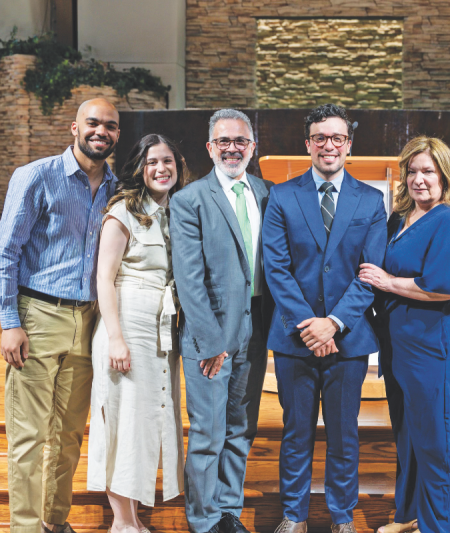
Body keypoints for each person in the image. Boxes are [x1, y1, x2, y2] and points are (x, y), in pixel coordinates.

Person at [0, 98, 120, 533]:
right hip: (38, 316)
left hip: (88, 321)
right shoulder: (37, 176)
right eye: (93, 123)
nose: (101, 131)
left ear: (117, 134)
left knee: (68, 436)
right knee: (28, 435)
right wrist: (10, 322)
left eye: (110, 126)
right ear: (74, 127)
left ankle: (55, 521)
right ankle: (26, 528)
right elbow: (6, 252)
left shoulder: (116, 187)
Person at [262, 103, 387, 533]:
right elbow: (276, 269)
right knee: (296, 432)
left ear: (349, 145)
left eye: (337, 138)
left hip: (348, 339)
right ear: (308, 144)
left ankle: (342, 517)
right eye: (320, 138)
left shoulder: (371, 200)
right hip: (294, 338)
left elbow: (370, 272)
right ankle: (294, 515)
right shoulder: (282, 196)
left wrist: (333, 323)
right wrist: (310, 325)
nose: (328, 145)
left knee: (344, 434)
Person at [359, 136, 450, 533]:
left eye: (428, 171)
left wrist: (388, 283)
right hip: (400, 342)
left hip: (434, 343)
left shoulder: (449, 219)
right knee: (408, 434)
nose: (419, 179)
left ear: (445, 176)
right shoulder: (399, 219)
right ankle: (408, 516)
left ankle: (439, 526)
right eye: (412, 171)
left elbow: (446, 287)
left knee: (435, 439)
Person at [170, 109, 274, 533]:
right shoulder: (189, 199)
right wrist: (212, 342)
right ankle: (204, 519)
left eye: (240, 141)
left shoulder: (267, 192)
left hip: (256, 327)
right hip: (210, 334)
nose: (233, 148)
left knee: (241, 428)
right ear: (210, 148)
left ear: (252, 147)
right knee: (209, 432)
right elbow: (189, 279)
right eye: (224, 141)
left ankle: (229, 510)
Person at [87, 134, 188, 531]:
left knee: (148, 417)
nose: (161, 168)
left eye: (167, 161)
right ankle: (124, 522)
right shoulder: (122, 211)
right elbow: (104, 278)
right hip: (128, 323)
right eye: (152, 162)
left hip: (162, 328)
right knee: (125, 418)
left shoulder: (178, 212)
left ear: (178, 166)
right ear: (139, 169)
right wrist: (116, 338)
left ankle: (132, 518)